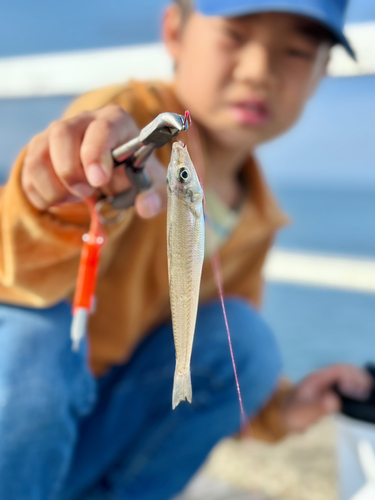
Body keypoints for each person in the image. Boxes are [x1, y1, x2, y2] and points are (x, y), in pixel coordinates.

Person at [0, 0, 372, 498]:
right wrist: (56, 194)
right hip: (26, 419)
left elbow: (221, 357)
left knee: (247, 341)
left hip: (99, 428)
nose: (260, 71)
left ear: (322, 71)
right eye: (235, 37)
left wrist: (285, 409)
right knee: (36, 339)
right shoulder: (128, 118)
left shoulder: (256, 217)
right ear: (175, 29)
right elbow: (13, 269)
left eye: (297, 52)